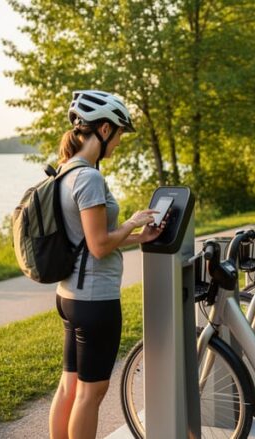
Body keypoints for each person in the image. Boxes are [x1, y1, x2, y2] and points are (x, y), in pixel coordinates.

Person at [49, 90, 164, 439]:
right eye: (118, 133)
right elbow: (99, 246)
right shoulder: (90, 178)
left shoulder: (66, 171)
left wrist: (137, 238)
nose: (118, 142)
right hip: (95, 301)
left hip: (69, 296)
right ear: (103, 129)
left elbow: (89, 239)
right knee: (90, 393)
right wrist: (131, 223)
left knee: (69, 387)